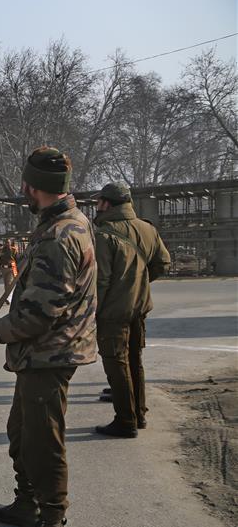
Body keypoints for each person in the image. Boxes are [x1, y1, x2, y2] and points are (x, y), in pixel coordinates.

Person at [0, 146, 97, 527]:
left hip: (51, 353)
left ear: (34, 186)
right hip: (41, 354)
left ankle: (52, 526)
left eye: (25, 184)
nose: (22, 190)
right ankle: (27, 504)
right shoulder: (60, 224)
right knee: (22, 433)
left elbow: (39, 314)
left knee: (43, 441)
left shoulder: (60, 235)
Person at [93, 182, 171, 437]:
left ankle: (125, 420)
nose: (96, 206)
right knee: (135, 360)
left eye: (99, 201)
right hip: (139, 307)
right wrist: (139, 283)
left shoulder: (104, 234)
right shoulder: (147, 229)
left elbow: (101, 281)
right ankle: (139, 413)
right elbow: (162, 263)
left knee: (116, 363)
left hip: (114, 313)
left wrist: (92, 313)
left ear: (107, 204)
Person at [0, 239, 19, 304]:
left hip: (11, 268)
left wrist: (18, 269)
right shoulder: (1, 250)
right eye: (6, 242)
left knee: (9, 283)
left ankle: (9, 297)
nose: (7, 244)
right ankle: (8, 296)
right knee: (6, 284)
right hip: (3, 269)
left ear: (10, 243)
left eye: (8, 242)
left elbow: (17, 260)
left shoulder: (14, 250)